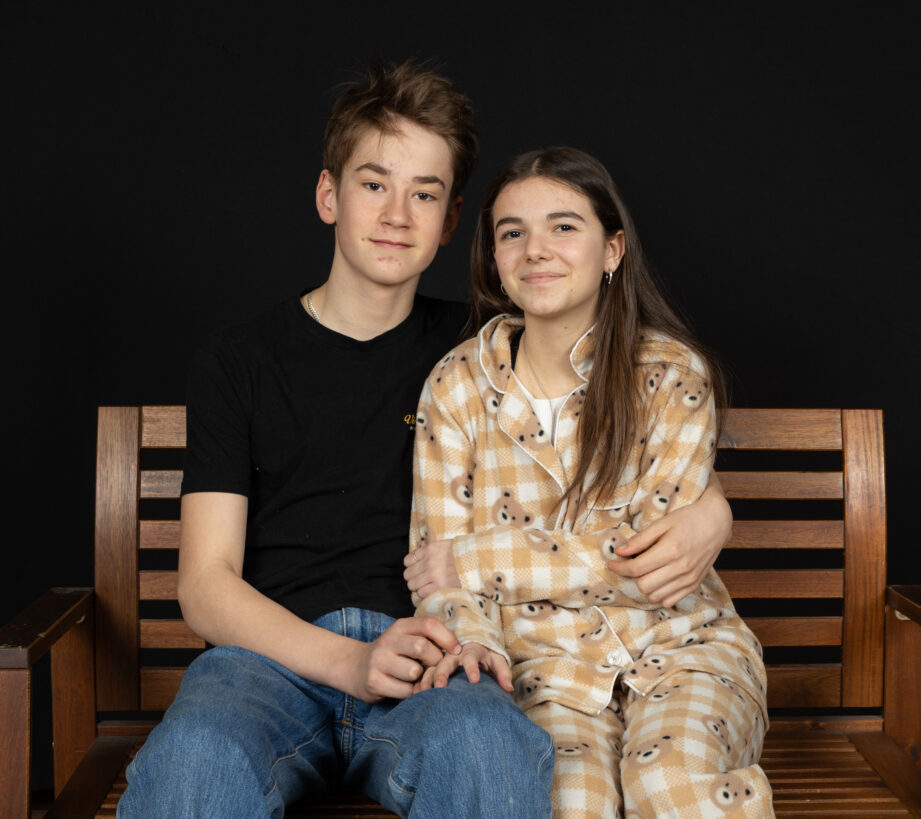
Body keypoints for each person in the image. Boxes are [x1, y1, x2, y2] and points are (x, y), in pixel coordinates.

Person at [119, 60, 732, 818]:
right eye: (374, 184)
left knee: (486, 745)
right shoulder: (239, 360)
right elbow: (206, 584)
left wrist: (712, 509)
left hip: (437, 653)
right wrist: (350, 661)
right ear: (328, 195)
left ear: (450, 222)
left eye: (425, 193)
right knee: (195, 755)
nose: (396, 215)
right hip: (269, 662)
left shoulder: (483, 352)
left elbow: (615, 417)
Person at [410, 147, 773, 818]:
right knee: (570, 803)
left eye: (563, 226)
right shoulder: (456, 385)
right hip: (542, 673)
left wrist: (477, 558)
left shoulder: (671, 376)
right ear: (494, 259)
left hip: (683, 650)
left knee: (666, 781)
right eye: (512, 232)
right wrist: (473, 639)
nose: (535, 249)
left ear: (612, 249)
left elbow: (649, 563)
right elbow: (439, 579)